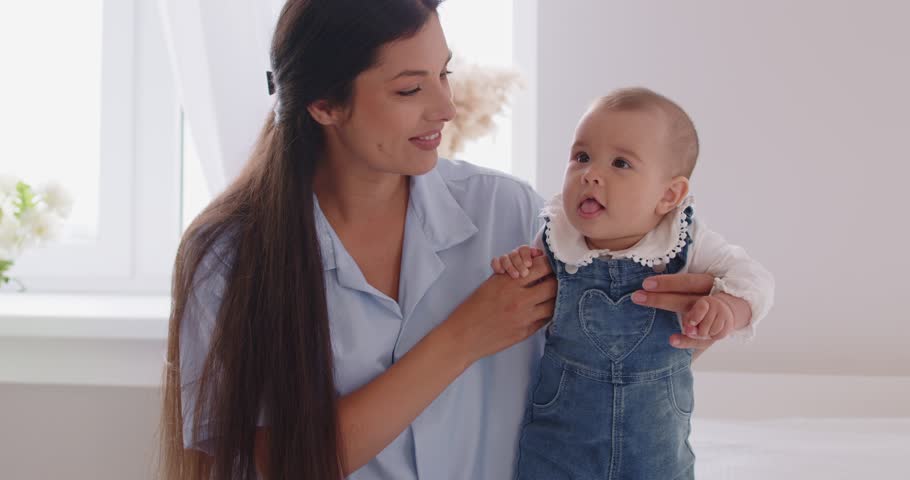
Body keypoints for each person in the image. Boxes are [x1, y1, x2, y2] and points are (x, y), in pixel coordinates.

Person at [158, 2, 722, 479]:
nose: (446, 108)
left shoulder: (514, 211)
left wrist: (682, 319)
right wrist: (463, 337)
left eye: (444, 75)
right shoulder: (228, 255)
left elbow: (604, 376)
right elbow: (268, 465)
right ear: (325, 105)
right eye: (410, 88)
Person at [492, 88, 775, 479]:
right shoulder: (557, 238)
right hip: (560, 438)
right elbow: (522, 295)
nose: (590, 173)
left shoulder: (682, 240)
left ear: (668, 194)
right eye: (582, 157)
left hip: (656, 443)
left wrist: (729, 306)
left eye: (620, 163)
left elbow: (754, 278)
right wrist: (518, 266)